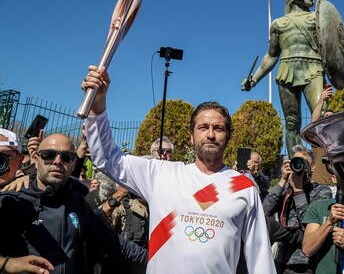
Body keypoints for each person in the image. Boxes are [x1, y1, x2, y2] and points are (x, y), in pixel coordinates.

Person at [82, 65, 276, 274]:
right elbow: (108, 159)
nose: (210, 134)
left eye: (218, 128)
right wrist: (97, 106)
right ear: (191, 136)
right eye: (203, 127)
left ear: (227, 137)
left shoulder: (244, 187)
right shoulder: (160, 174)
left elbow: (260, 259)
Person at [242, 0, 344, 159]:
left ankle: (326, 163)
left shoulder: (317, 17)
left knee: (322, 116)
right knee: (291, 121)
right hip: (287, 70)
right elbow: (271, 56)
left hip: (313, 68)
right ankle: (295, 165)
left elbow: (333, 44)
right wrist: (254, 79)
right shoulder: (278, 24)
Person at [0, 132, 147, 273]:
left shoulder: (78, 203)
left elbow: (114, 243)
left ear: (73, 163)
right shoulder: (12, 200)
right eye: (48, 154)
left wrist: (156, 258)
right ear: (36, 160)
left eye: (66, 156)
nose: (57, 161)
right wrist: (6, 263)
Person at [263, 144, 332, 273]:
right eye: (295, 162)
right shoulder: (286, 189)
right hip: (281, 259)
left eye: (303, 162)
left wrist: (298, 191)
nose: (298, 166)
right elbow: (265, 211)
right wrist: (282, 181)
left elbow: (309, 226)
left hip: (303, 263)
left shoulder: (321, 191)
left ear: (312, 166)